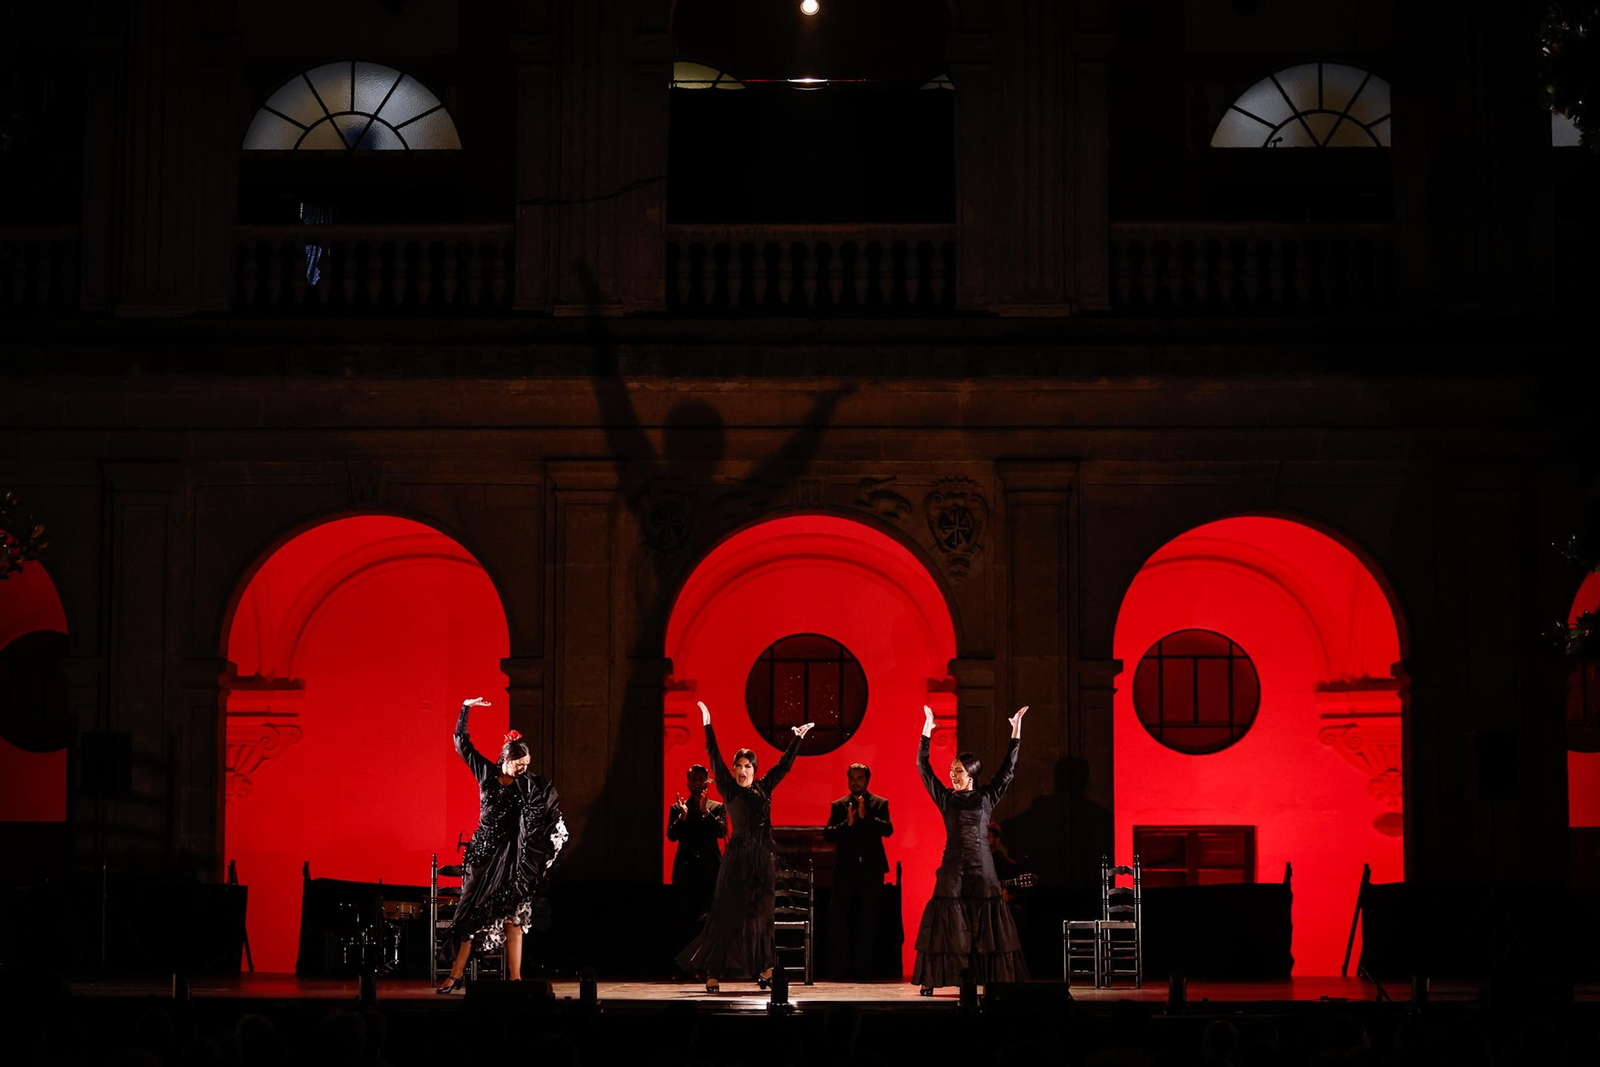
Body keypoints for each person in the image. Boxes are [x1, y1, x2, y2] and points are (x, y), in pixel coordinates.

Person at [677, 700, 813, 993]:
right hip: (738, 859)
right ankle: (713, 971)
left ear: (754, 769)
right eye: (738, 765)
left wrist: (797, 739)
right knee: (728, 914)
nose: (741, 770)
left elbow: (784, 766)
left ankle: (764, 968)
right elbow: (713, 757)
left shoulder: (764, 787)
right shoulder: (727, 787)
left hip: (762, 859)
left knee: (762, 917)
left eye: (747, 765)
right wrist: (707, 723)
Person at [436, 697, 569, 993]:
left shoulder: (529, 785)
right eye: (518, 765)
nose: (523, 770)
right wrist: (465, 708)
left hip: (511, 858)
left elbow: (545, 811)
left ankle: (515, 980)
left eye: (527, 765)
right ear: (504, 760)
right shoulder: (485, 772)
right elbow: (461, 743)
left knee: (513, 915)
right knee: (469, 915)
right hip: (482, 856)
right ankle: (455, 975)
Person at [911, 703, 1030, 996]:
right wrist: (927, 729)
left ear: (971, 774)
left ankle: (989, 977)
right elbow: (922, 768)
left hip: (981, 864)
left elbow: (1008, 771)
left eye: (958, 771)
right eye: (952, 770)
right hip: (953, 863)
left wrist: (1015, 731)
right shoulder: (946, 799)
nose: (952, 775)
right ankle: (934, 979)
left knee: (985, 920)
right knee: (947, 915)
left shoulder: (986, 798)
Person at [823, 762, 893, 980]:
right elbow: (828, 834)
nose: (855, 781)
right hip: (845, 869)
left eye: (859, 778)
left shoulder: (880, 803)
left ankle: (864, 970)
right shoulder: (839, 805)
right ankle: (841, 970)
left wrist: (867, 818)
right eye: (852, 777)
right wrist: (847, 823)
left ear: (867, 780)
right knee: (840, 919)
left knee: (869, 920)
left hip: (871, 869)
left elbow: (888, 829)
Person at [667, 764, 727, 962]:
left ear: (706, 781)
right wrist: (682, 818)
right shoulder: (677, 808)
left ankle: (704, 964)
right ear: (688, 782)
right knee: (683, 917)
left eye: (701, 779)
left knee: (708, 918)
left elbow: (721, 832)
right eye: (694, 779)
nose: (697, 783)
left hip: (710, 870)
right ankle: (682, 966)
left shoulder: (717, 807)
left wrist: (705, 813)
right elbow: (671, 836)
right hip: (686, 869)